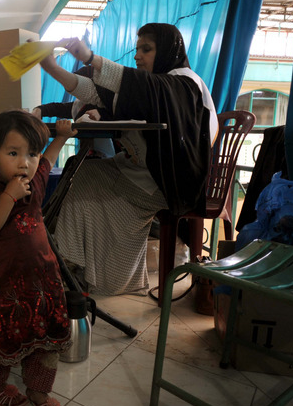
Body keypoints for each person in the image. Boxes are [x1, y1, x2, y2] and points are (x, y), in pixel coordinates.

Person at [39, 23, 217, 296]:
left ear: (168, 51)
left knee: (86, 184)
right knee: (81, 171)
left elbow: (149, 88)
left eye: (146, 49)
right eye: (137, 49)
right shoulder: (157, 87)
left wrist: (90, 58)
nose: (137, 56)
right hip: (138, 172)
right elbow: (97, 94)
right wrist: (53, 69)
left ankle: (92, 270)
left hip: (165, 185)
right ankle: (71, 262)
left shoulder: (184, 84)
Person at [0, 111, 76, 406]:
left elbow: (49, 158)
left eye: (31, 153)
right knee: (2, 335)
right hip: (4, 285)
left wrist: (62, 137)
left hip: (43, 280)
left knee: (45, 336)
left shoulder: (36, 179)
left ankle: (40, 392)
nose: (25, 162)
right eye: (13, 153)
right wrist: (9, 196)